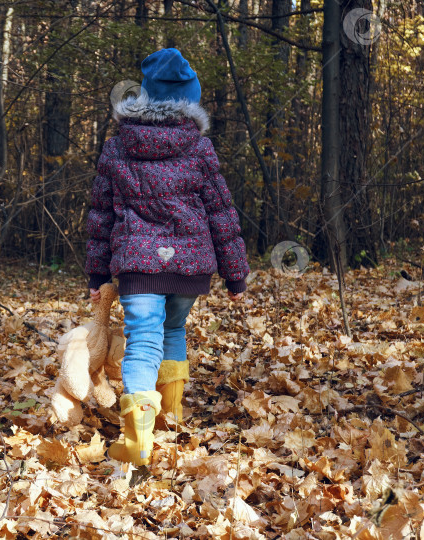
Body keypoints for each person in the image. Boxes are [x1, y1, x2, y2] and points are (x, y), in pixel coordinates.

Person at [85, 48, 250, 466]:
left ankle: (138, 437)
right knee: (173, 332)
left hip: (139, 266)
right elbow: (221, 213)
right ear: (190, 100)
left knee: (142, 342)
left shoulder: (117, 147)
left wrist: (96, 274)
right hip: (188, 265)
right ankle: (171, 418)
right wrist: (236, 275)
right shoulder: (200, 148)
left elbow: (101, 217)